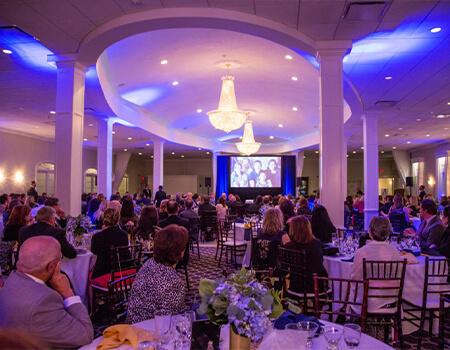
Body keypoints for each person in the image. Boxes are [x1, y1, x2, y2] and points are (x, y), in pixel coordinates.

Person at [0, 236, 94, 348]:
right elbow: (85, 334)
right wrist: (67, 292)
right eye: (60, 258)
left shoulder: (10, 280)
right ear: (51, 267)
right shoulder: (44, 301)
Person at [127, 225, 188, 323]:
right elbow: (172, 320)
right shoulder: (173, 282)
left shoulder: (149, 263)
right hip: (150, 331)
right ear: (181, 252)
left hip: (133, 323)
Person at [350, 216, 402, 313]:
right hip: (391, 300)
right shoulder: (395, 252)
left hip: (368, 302)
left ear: (370, 233)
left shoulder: (362, 252)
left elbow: (355, 279)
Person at [283, 216, 328, 293]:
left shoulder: (289, 247)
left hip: (295, 285)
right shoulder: (316, 243)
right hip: (316, 285)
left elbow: (285, 268)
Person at [90, 208, 129, 289]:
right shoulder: (124, 235)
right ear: (118, 221)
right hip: (123, 274)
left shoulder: (97, 237)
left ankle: (90, 301)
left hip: (105, 274)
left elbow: (93, 252)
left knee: (87, 274)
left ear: (104, 220)